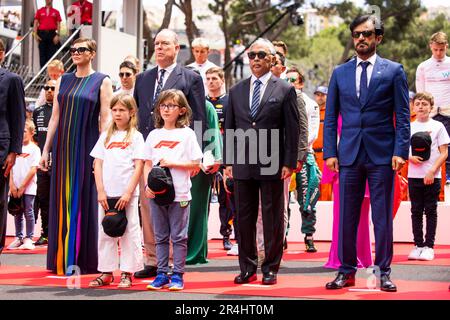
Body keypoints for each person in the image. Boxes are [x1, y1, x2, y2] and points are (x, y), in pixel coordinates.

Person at [323, 15, 410, 292]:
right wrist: (329, 152)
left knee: (381, 218)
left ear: (378, 38)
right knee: (346, 218)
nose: (361, 39)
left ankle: (383, 271)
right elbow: (332, 114)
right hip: (348, 156)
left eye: (367, 34)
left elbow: (403, 115)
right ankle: (346, 271)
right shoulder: (340, 73)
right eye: (357, 35)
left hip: (383, 156)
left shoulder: (394, 71)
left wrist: (400, 151)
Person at [224, 38, 300, 285]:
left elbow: (292, 129)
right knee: (244, 217)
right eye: (252, 55)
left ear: (272, 59)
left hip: (273, 163)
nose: (255, 59)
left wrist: (289, 162)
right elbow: (230, 128)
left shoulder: (285, 89)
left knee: (272, 217)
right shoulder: (235, 91)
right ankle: (247, 268)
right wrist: (228, 163)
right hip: (243, 164)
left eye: (261, 55)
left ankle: (270, 268)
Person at [133, 28, 206, 279]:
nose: (160, 48)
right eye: (156, 43)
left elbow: (199, 118)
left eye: (165, 44)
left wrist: (195, 159)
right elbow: (138, 118)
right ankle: (153, 261)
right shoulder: (142, 78)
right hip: (149, 155)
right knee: (149, 207)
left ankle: (176, 266)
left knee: (176, 215)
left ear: (177, 48)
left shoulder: (191, 77)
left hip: (178, 158)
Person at [40, 37, 113, 275]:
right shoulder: (63, 80)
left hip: (87, 148)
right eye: (73, 49)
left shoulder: (102, 81)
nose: (75, 52)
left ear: (92, 53)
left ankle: (84, 259)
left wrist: (103, 154)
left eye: (81, 49)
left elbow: (106, 119)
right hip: (62, 150)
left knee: (84, 198)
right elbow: (55, 118)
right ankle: (60, 259)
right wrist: (45, 150)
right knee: (61, 198)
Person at [144, 89, 203, 291]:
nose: (166, 110)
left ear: (182, 110)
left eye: (171, 106)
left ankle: (177, 274)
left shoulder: (187, 134)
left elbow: (196, 163)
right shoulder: (153, 135)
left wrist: (173, 163)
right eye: (163, 105)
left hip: (180, 194)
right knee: (160, 235)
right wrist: (147, 185)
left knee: (178, 236)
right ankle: (161, 274)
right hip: (157, 194)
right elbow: (146, 164)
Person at [88, 94, 145, 288]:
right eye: (114, 110)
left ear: (131, 112)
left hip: (126, 195)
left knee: (130, 232)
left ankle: (128, 272)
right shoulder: (106, 135)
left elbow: (138, 167)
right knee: (106, 232)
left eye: (122, 110)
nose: (117, 114)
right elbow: (98, 163)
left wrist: (128, 193)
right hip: (107, 195)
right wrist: (101, 191)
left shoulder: (136, 137)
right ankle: (106, 271)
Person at [185, 66, 222, 265]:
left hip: (201, 166)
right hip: (178, 164)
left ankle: (196, 253)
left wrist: (213, 161)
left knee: (198, 210)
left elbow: (213, 134)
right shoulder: (176, 106)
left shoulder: (206, 107)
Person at [407, 92, 449, 261]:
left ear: (431, 107)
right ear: (413, 107)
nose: (421, 107)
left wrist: (432, 171)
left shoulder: (438, 126)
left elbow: (444, 153)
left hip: (432, 176)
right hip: (413, 175)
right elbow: (402, 150)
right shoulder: (408, 126)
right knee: (415, 211)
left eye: (425, 104)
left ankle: (429, 246)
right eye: (418, 104)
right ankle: (417, 245)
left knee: (430, 211)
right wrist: (409, 158)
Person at [286, 67, 320, 252]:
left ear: (300, 83)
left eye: (293, 80)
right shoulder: (280, 99)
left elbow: (311, 133)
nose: (289, 84)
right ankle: (283, 235)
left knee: (307, 200)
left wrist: (296, 150)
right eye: (287, 80)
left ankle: (308, 235)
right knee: (282, 201)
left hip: (304, 155)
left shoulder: (310, 104)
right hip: (284, 158)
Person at [0, 38, 26, 255]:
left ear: (2, 54)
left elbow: (18, 117)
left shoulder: (12, 80)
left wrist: (14, 151)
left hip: (2, 148)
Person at [416, 32, 450, 185]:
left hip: (448, 111)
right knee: (430, 145)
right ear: (431, 46)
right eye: (435, 49)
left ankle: (447, 175)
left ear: (446, 47)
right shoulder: (423, 67)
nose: (438, 53)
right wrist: (422, 109)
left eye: (441, 50)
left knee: (447, 145)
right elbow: (420, 92)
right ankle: (431, 174)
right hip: (431, 113)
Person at [205, 67, 233, 251]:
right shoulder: (201, 102)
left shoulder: (230, 101)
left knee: (226, 199)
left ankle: (226, 235)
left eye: (214, 78)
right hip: (205, 157)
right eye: (207, 78)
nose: (210, 82)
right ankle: (201, 236)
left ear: (222, 80)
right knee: (203, 199)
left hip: (224, 158)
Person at [7, 120, 41, 250]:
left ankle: (29, 238)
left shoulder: (35, 149)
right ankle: (18, 237)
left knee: (28, 211)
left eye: (25, 131)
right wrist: (11, 184)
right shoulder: (14, 148)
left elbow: (33, 169)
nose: (22, 134)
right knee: (17, 212)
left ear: (32, 133)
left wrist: (22, 186)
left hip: (28, 187)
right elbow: (10, 166)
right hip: (14, 188)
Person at [32, 80, 56, 246]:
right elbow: (35, 136)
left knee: (58, 199)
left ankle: (57, 232)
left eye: (52, 88)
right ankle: (46, 233)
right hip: (42, 163)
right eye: (46, 87)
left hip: (59, 162)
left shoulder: (61, 111)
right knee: (43, 199)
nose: (49, 91)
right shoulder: (38, 111)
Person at [313, 86, 332, 201]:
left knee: (326, 188)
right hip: (312, 155)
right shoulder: (311, 111)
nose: (320, 98)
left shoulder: (331, 113)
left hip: (326, 156)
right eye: (318, 95)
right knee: (313, 187)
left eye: (322, 95)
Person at [33, 0, 62, 68]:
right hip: (42, 34)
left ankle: (50, 74)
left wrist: (57, 35)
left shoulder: (56, 11)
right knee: (42, 55)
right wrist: (35, 34)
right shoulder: (40, 11)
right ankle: (42, 75)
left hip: (52, 34)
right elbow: (35, 23)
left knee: (51, 55)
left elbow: (58, 24)